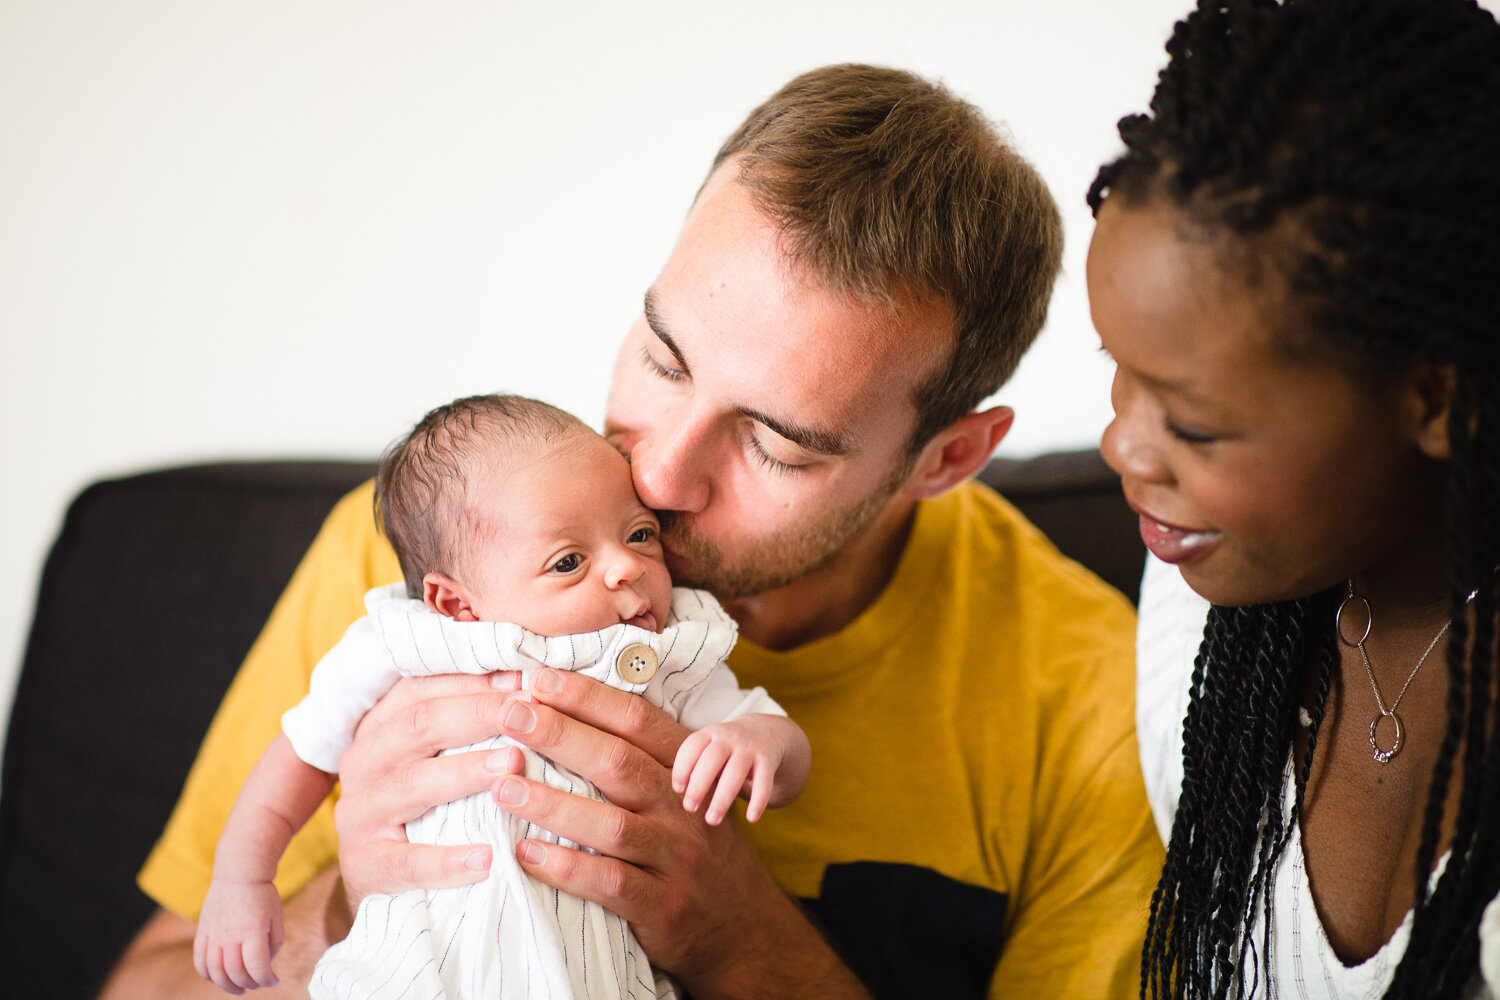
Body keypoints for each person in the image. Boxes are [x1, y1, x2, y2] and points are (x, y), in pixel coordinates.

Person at [102, 64, 1162, 1000]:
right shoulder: (427, 554)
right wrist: (346, 903)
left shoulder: (1093, 710)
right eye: (663, 358)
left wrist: (746, 947)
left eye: (775, 445)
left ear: (946, 458)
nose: (654, 474)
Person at [1084, 0, 1500, 996]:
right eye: (1119, 372)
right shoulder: (1202, 588)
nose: (1120, 446)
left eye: (1193, 422)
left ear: (1437, 396)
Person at [193, 393, 808, 999]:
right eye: (568, 562)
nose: (626, 567)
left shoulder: (661, 649)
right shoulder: (401, 645)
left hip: (600, 971)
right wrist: (242, 879)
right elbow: (304, 750)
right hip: (420, 967)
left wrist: (757, 743)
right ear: (457, 605)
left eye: (640, 533)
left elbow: (773, 744)